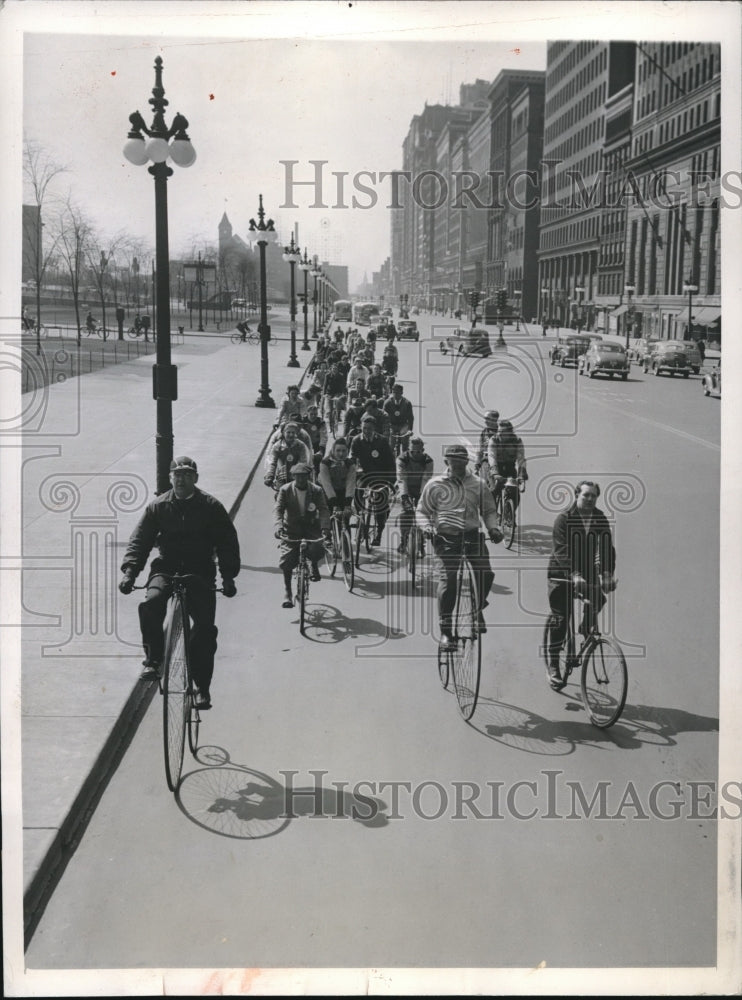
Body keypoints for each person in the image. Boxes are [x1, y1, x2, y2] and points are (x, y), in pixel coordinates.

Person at [118, 456, 239, 709]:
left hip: (200, 569)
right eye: (177, 474)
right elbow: (140, 540)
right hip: (167, 566)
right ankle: (153, 660)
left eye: (186, 474)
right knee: (151, 603)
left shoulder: (211, 506)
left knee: (204, 631)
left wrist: (228, 576)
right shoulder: (158, 507)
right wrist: (130, 572)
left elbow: (227, 542)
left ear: (195, 478)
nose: (181, 479)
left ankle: (202, 687)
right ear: (170, 478)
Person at [416, 444, 503, 646]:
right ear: (446, 462)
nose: (457, 466)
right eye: (452, 462)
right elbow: (421, 511)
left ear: (467, 462)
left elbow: (489, 510)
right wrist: (427, 527)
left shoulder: (478, 484)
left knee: (486, 573)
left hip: (472, 536)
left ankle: (477, 608)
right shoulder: (435, 484)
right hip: (446, 539)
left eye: (460, 462)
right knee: (449, 582)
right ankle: (446, 632)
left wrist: (493, 528)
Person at [544, 480, 617, 689]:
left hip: (586, 570)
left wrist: (607, 573)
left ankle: (586, 626)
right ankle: (553, 664)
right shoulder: (564, 518)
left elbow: (606, 548)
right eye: (586, 495)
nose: (590, 499)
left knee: (598, 599)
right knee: (560, 616)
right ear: (576, 495)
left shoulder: (600, 518)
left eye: (593, 496)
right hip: (562, 571)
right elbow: (560, 550)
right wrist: (574, 574)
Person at [274, 462, 331, 608]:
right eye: (298, 477)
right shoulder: (285, 490)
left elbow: (324, 509)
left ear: (309, 476)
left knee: (317, 548)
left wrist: (325, 527)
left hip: (311, 527)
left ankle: (313, 564)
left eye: (304, 476)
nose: (301, 480)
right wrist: (279, 526)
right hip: (291, 528)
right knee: (287, 561)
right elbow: (279, 510)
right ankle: (288, 592)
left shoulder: (316, 490)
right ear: (293, 476)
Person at [350, 413, 396, 547]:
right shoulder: (356, 440)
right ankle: (359, 519)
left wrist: (390, 481)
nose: (366, 431)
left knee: (381, 505)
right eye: (364, 428)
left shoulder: (382, 441)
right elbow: (352, 457)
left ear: (374, 429)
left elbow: (390, 462)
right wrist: (354, 469)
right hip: (363, 474)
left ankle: (379, 533)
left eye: (369, 429)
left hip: (380, 475)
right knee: (357, 492)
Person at [396, 436, 434, 554]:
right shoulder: (402, 459)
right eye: (412, 451)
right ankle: (404, 540)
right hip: (406, 487)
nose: (415, 454)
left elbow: (426, 478)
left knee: (423, 512)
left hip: (421, 488)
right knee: (404, 513)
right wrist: (404, 496)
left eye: (418, 451)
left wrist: (422, 496)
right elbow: (402, 478)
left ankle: (422, 540)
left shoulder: (428, 460)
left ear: (423, 450)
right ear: (408, 450)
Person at [486, 419, 528, 510]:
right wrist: (495, 474)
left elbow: (521, 459)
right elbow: (491, 457)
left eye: (503, 432)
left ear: (510, 432)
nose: (500, 434)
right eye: (499, 431)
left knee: (515, 492)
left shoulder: (517, 441)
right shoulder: (494, 440)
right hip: (496, 468)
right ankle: (493, 512)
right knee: (494, 489)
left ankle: (510, 514)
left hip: (510, 467)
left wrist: (521, 476)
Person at [318, 437, 357, 522]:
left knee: (345, 518)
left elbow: (350, 483)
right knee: (328, 518)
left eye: (344, 451)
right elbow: (327, 484)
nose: (341, 454)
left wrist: (348, 503)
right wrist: (334, 503)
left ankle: (345, 532)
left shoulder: (350, 463)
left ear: (347, 451)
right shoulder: (325, 463)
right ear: (333, 450)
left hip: (342, 490)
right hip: (326, 491)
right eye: (338, 451)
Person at [264, 422, 313, 489]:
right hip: (282, 475)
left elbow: (304, 461)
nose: (291, 435)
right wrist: (269, 476)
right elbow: (272, 462)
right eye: (288, 432)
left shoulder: (301, 445)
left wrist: (300, 474)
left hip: (297, 476)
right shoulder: (277, 446)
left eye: (293, 432)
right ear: (283, 433)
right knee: (280, 495)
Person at [383, 382, 414, 451]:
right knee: (391, 444)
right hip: (391, 425)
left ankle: (404, 457)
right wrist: (385, 428)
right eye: (394, 392)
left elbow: (410, 418)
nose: (395, 394)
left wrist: (410, 430)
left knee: (405, 442)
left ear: (402, 393)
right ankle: (390, 459)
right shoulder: (387, 402)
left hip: (403, 425)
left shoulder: (407, 403)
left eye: (398, 392)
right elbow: (384, 416)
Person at [301, 402, 328, 473]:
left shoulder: (321, 422)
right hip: (305, 444)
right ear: (307, 413)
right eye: (311, 414)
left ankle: (317, 477)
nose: (313, 416)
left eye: (315, 414)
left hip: (317, 445)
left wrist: (321, 450)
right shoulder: (303, 421)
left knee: (317, 463)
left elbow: (323, 436)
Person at [473, 409, 500, 474]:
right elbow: (480, 450)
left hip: (500, 464)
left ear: (495, 419)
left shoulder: (502, 433)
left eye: (487, 419)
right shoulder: (484, 432)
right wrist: (477, 466)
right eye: (485, 419)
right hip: (486, 464)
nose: (485, 421)